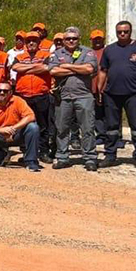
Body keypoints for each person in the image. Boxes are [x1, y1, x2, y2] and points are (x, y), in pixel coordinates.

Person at [48, 27, 99, 171]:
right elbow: (53, 71)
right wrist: (78, 68)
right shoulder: (56, 53)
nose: (71, 41)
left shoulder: (87, 52)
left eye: (74, 38)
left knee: (87, 128)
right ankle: (62, 157)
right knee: (62, 128)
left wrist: (66, 66)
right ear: (63, 40)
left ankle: (90, 158)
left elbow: (89, 69)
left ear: (79, 39)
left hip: (84, 95)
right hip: (63, 97)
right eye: (68, 38)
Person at [97, 21, 136, 167]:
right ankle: (110, 155)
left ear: (130, 32)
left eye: (125, 31)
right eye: (119, 31)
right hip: (111, 94)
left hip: (133, 94)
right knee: (112, 128)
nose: (122, 34)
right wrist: (99, 89)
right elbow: (103, 70)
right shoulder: (109, 49)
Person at [0, 82, 40, 172]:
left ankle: (31, 161)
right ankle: (1, 157)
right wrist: (0, 130)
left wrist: (13, 128)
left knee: (33, 127)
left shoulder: (18, 101)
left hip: (16, 134)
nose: (1, 93)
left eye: (5, 91)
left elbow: (31, 116)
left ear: (10, 92)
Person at [12, 32, 54, 163]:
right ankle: (26, 152)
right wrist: (35, 67)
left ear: (38, 43)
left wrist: (26, 69)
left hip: (41, 95)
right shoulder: (19, 56)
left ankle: (44, 152)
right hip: (23, 96)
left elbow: (46, 68)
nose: (31, 43)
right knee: (24, 125)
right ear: (25, 43)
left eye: (34, 41)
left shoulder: (45, 55)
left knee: (43, 126)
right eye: (28, 41)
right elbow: (15, 67)